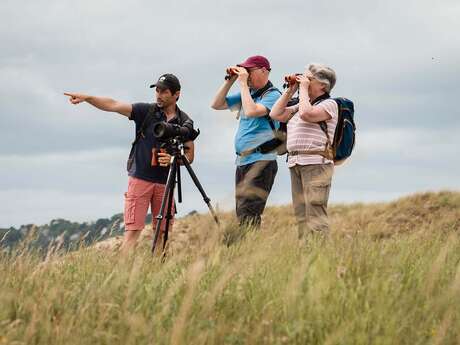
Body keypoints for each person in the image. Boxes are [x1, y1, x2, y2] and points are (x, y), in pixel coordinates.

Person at [64, 74, 197, 253]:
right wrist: (88, 98)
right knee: (133, 231)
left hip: (165, 183)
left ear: (176, 94)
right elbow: (113, 105)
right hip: (140, 179)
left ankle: (157, 269)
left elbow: (190, 155)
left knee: (162, 232)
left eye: (164, 91)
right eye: (156, 90)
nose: (158, 95)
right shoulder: (146, 111)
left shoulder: (184, 121)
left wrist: (174, 159)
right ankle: (124, 276)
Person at [211, 55, 281, 228]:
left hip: (261, 161)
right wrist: (230, 80)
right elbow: (216, 104)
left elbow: (251, 111)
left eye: (250, 71)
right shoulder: (247, 94)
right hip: (243, 161)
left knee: (249, 216)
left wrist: (242, 83)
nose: (247, 75)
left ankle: (248, 250)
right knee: (242, 214)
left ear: (264, 71)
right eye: (245, 71)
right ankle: (247, 250)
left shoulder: (273, 95)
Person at [270, 63, 338, 239]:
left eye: (309, 79)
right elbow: (275, 114)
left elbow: (307, 114)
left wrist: (303, 87)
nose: (304, 81)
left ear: (323, 85)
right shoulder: (300, 105)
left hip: (317, 164)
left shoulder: (330, 104)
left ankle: (322, 256)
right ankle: (305, 256)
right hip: (296, 163)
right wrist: (291, 90)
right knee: (301, 215)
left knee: (315, 213)